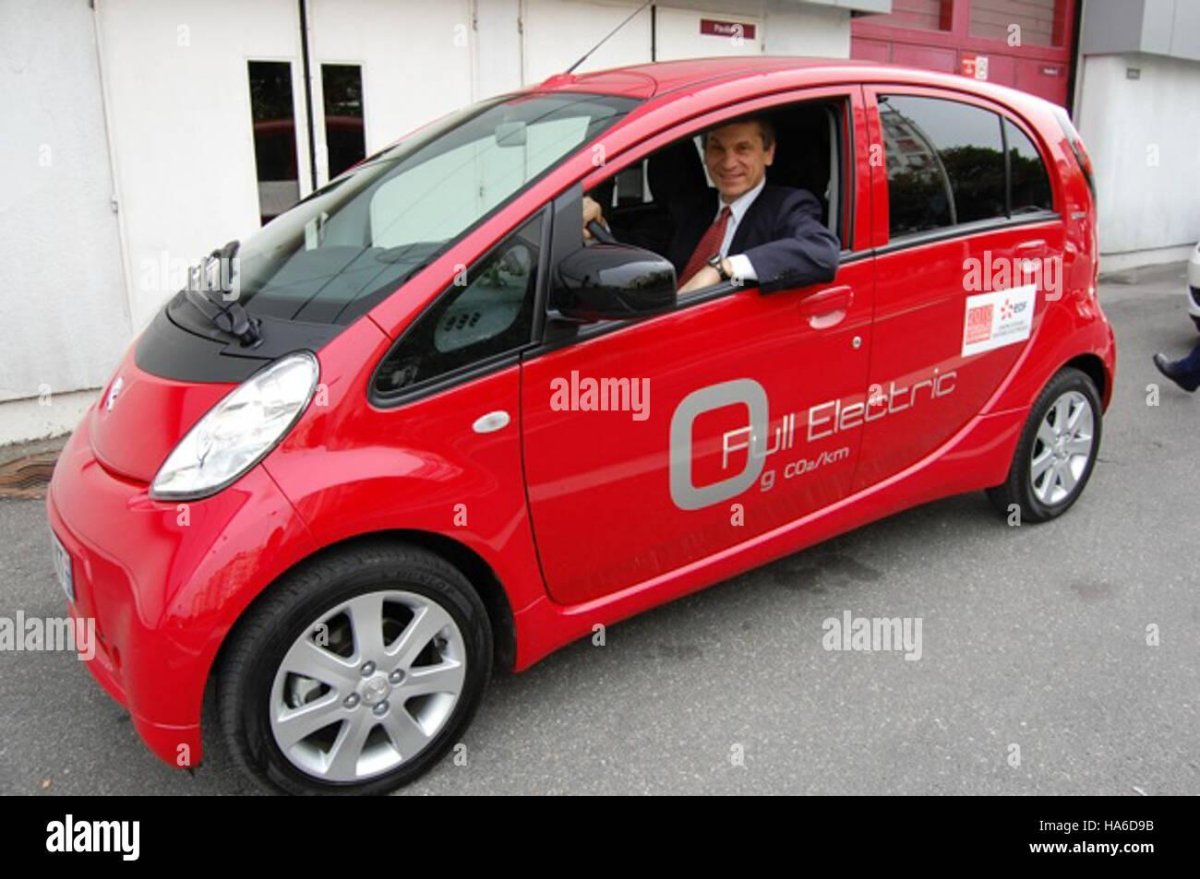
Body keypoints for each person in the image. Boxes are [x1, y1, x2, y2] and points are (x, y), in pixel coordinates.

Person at [583, 116, 839, 295]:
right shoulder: (694, 207)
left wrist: (721, 269)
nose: (728, 163)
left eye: (743, 149)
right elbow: (641, 250)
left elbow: (822, 252)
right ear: (705, 154)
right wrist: (595, 226)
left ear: (768, 153)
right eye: (717, 148)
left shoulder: (787, 206)